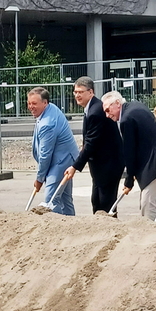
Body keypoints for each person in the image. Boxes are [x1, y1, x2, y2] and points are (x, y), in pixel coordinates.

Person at [102, 90, 156, 219]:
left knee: (147, 203)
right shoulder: (134, 106)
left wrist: (129, 179)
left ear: (117, 103)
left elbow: (129, 151)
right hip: (154, 155)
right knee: (146, 200)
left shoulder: (126, 119)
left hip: (153, 160)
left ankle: (151, 233)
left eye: (107, 110)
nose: (107, 115)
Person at [61, 77, 124, 216]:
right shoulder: (91, 108)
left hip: (109, 165)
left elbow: (91, 142)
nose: (77, 95)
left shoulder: (96, 111)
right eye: (75, 92)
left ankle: (111, 231)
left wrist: (75, 166)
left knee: (105, 203)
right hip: (101, 166)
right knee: (97, 201)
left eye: (80, 92)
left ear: (91, 92)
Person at [28, 86, 79, 216]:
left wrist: (39, 179)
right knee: (65, 197)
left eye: (34, 103)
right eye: (29, 103)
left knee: (51, 199)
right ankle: (71, 223)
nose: (31, 106)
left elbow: (45, 154)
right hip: (65, 157)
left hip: (61, 160)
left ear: (45, 103)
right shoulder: (49, 110)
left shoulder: (47, 124)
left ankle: (55, 229)